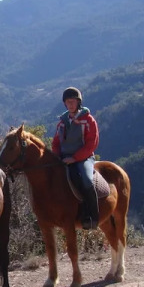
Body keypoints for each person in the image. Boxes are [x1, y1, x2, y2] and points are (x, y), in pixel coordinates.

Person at [51, 87, 100, 230]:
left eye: (73, 101)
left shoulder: (88, 120)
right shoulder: (62, 122)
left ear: (78, 102)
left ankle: (92, 216)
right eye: (68, 102)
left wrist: (75, 158)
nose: (70, 104)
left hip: (84, 158)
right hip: (64, 158)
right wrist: (57, 156)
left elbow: (92, 144)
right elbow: (56, 143)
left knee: (86, 179)